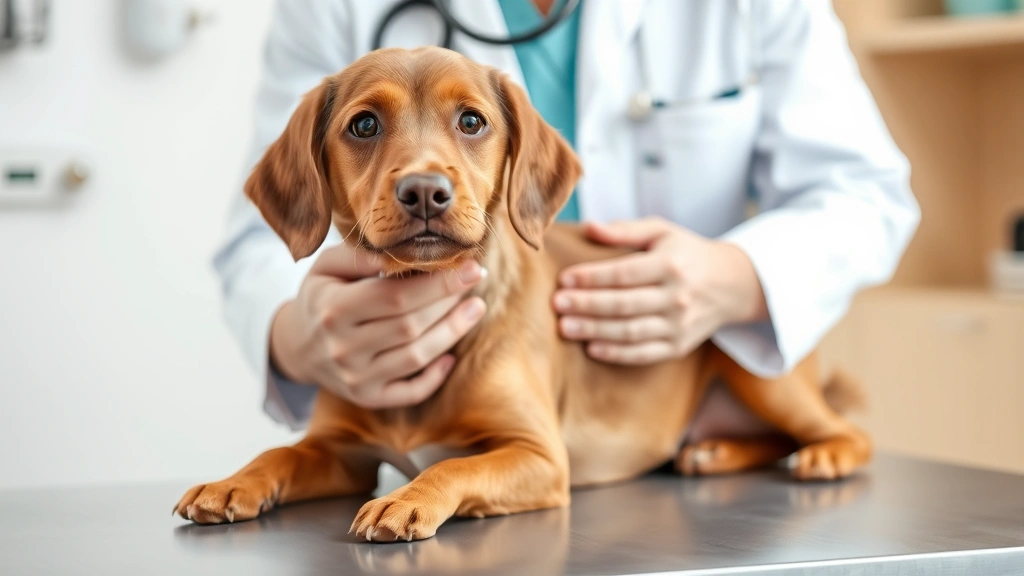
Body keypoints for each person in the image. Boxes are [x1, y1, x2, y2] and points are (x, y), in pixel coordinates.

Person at [215, 0, 920, 430]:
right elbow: (267, 229)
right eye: (367, 127)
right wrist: (301, 338)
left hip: (669, 403)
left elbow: (865, 190)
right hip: (421, 429)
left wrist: (734, 276)